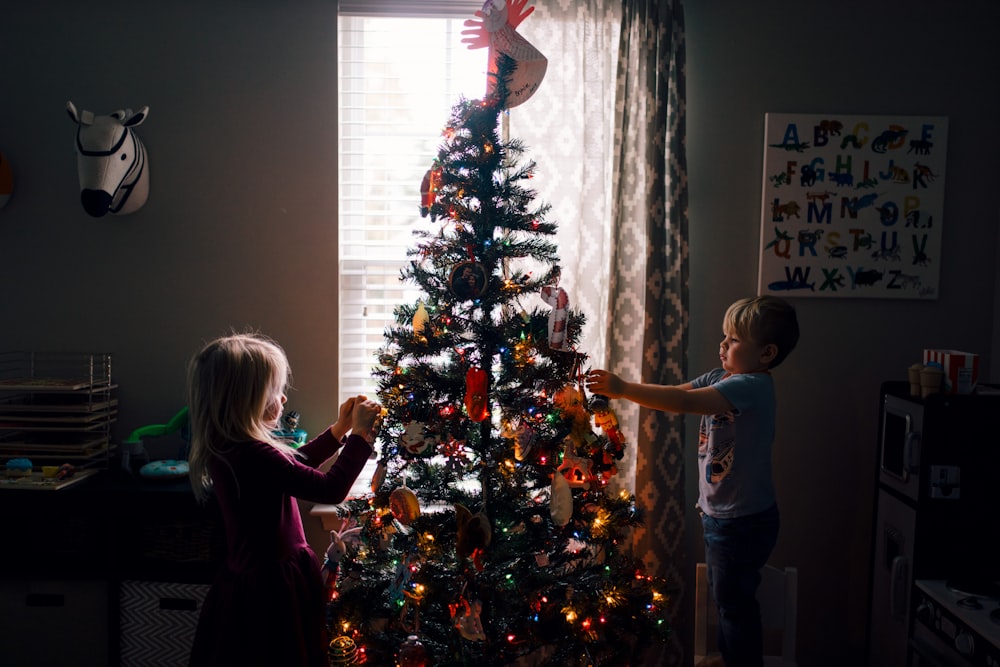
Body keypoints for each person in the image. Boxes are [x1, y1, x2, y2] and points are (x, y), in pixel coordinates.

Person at [586, 295, 799, 667]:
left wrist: (622, 389)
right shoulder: (723, 377)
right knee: (729, 600)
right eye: (724, 336)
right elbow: (679, 393)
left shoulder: (751, 386)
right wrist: (626, 389)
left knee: (734, 605)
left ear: (766, 353)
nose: (723, 345)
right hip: (724, 516)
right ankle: (732, 657)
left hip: (741, 521)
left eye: (733, 340)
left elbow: (683, 405)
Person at [186, 332, 382, 667]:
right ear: (248, 400)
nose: (283, 400)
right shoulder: (254, 453)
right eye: (276, 392)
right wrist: (361, 437)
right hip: (271, 589)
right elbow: (330, 489)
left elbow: (294, 466)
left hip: (253, 581)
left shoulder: (233, 447)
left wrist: (339, 431)